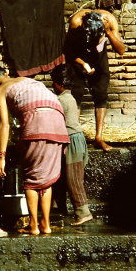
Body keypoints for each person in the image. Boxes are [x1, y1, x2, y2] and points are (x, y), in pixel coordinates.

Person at [0, 63, 69, 235]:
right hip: (58, 124)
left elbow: (4, 124)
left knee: (31, 180)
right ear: (6, 72)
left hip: (38, 125)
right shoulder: (29, 80)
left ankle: (34, 225)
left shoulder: (0, 90)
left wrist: (2, 156)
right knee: (46, 178)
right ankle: (46, 224)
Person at [63, 9, 125, 152]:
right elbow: (67, 50)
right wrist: (83, 64)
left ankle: (98, 137)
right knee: (76, 94)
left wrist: (109, 33)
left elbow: (121, 50)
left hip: (99, 58)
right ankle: (74, 136)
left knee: (101, 93)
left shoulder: (109, 21)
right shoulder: (76, 23)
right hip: (78, 57)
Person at [51, 64, 93, 226]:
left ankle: (83, 213)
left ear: (60, 83)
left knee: (73, 179)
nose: (52, 86)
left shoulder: (61, 100)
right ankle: (59, 209)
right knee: (67, 177)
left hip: (72, 141)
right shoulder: (70, 97)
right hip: (77, 139)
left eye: (54, 82)